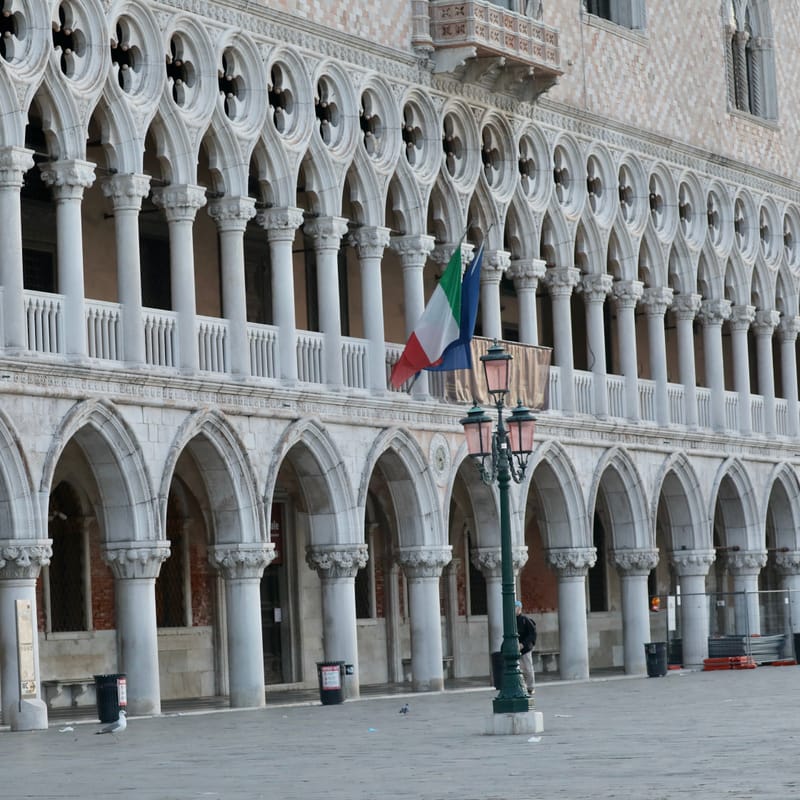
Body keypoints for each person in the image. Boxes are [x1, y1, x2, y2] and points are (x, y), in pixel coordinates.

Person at [515, 600, 537, 695]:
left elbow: (532, 634)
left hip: (526, 649)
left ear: (519, 609)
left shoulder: (525, 620)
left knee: (528, 668)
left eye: (515, 608)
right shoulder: (512, 621)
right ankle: (522, 686)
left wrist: (523, 644)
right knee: (520, 669)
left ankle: (530, 687)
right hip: (516, 649)